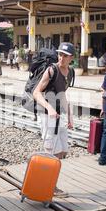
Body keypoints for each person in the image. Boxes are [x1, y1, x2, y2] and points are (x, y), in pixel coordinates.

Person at [33, 42, 76, 198]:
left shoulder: (70, 72)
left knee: (62, 151)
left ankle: (49, 183)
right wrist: (49, 108)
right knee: (50, 151)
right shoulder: (52, 70)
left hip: (59, 116)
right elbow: (36, 93)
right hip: (47, 115)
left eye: (65, 55)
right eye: (60, 54)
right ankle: (48, 186)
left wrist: (70, 116)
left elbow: (63, 94)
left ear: (71, 57)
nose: (61, 58)